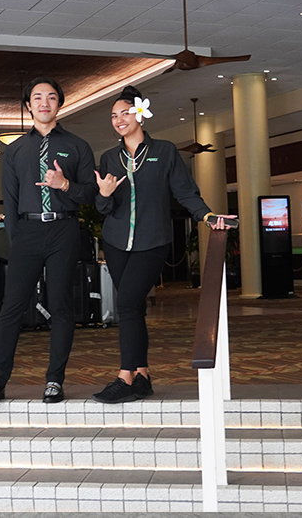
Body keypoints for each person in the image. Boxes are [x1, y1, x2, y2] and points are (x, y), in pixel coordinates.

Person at [92, 86, 233, 404]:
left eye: (124, 113)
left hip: (152, 242)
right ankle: (142, 375)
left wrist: (206, 215)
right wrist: (103, 195)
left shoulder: (164, 152)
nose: (118, 120)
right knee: (134, 308)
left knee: (126, 304)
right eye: (113, 116)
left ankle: (125, 376)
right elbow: (104, 209)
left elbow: (185, 192)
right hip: (116, 242)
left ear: (139, 114)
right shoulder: (110, 157)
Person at [0, 77, 98, 406]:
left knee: (61, 306)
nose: (44, 102)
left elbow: (89, 193)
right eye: (37, 97)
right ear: (28, 105)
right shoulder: (16, 149)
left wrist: (64, 186)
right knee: (11, 308)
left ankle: (54, 380)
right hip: (28, 232)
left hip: (64, 229)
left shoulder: (77, 146)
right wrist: (17, 241)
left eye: (51, 97)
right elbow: (11, 202)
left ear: (59, 103)